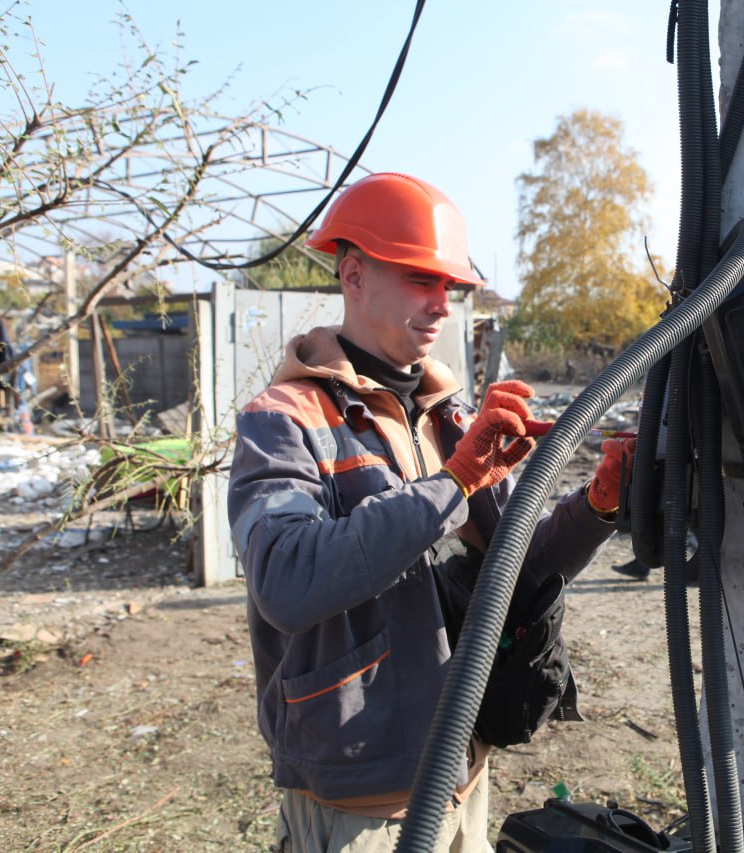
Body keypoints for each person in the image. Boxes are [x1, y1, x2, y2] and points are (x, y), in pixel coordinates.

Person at [227, 172, 632, 853]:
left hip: (461, 768)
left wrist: (595, 508)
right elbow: (287, 582)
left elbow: (511, 573)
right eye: (420, 278)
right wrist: (456, 481)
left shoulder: (448, 419)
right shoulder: (283, 419)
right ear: (352, 274)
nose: (441, 303)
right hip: (360, 794)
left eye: (450, 286)